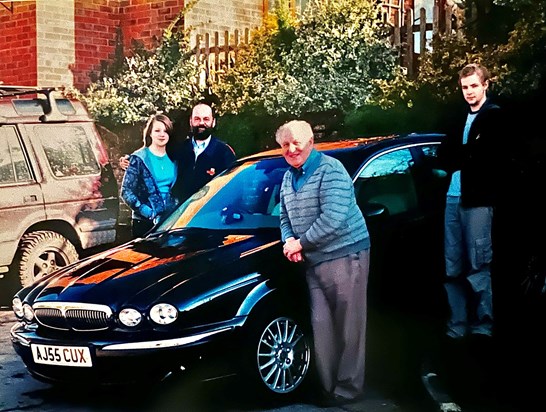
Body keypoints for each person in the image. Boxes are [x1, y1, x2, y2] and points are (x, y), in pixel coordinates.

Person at [276, 120, 371, 407]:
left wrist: (300, 244)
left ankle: (348, 389)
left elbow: (333, 218)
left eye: (297, 143)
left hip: (346, 254)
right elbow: (283, 216)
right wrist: (288, 242)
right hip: (314, 261)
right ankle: (327, 388)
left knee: (349, 326)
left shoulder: (330, 169)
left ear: (310, 142)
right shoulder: (288, 177)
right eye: (285, 145)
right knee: (322, 325)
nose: (292, 149)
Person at [438, 63, 506, 347]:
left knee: (478, 263)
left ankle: (484, 323)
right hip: (452, 198)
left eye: (474, 86)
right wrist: (466, 154)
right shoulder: (457, 119)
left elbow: (488, 159)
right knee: (452, 264)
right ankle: (458, 323)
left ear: (485, 85)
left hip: (478, 200)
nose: (469, 92)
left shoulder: (495, 117)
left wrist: (462, 156)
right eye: (465, 87)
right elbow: (445, 155)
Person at [120, 102, 236, 203]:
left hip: (208, 216)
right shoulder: (179, 148)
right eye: (197, 119)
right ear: (191, 121)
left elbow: (232, 189)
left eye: (206, 119)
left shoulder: (224, 152)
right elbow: (156, 153)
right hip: (179, 217)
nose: (201, 123)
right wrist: (130, 160)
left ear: (213, 122)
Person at [121, 113, 179, 238]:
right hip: (145, 222)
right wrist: (147, 212)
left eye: (165, 131)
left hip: (170, 221)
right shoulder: (138, 158)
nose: (162, 134)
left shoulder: (174, 158)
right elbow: (126, 192)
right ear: (150, 133)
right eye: (157, 130)